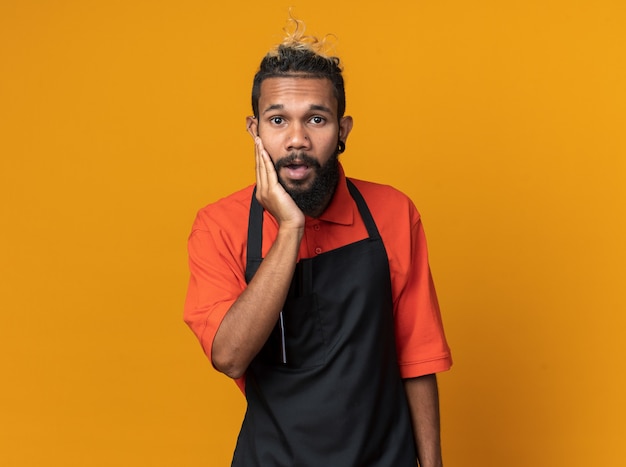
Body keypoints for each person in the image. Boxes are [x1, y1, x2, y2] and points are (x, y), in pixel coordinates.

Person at [184, 18, 452, 467]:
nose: (296, 140)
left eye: (316, 118)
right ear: (254, 130)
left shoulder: (394, 212)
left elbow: (418, 357)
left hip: (386, 457)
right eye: (277, 120)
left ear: (343, 130)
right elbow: (229, 356)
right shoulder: (218, 226)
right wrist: (290, 228)